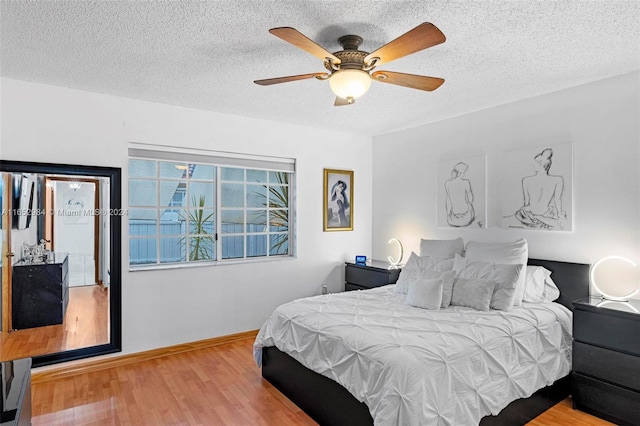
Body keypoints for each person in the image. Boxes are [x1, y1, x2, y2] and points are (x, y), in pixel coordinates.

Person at [514, 148, 566, 229]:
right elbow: (557, 200)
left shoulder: (526, 180)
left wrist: (526, 214)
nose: (533, 165)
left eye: (535, 163)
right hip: (545, 212)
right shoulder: (557, 180)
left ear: (540, 164)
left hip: (530, 213)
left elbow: (527, 202)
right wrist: (559, 214)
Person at [444, 162, 475, 227]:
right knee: (469, 204)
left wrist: (448, 214)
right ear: (460, 173)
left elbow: (448, 201)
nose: (465, 174)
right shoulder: (466, 182)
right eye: (464, 172)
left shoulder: (447, 183)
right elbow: (471, 199)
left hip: (453, 220)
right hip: (466, 218)